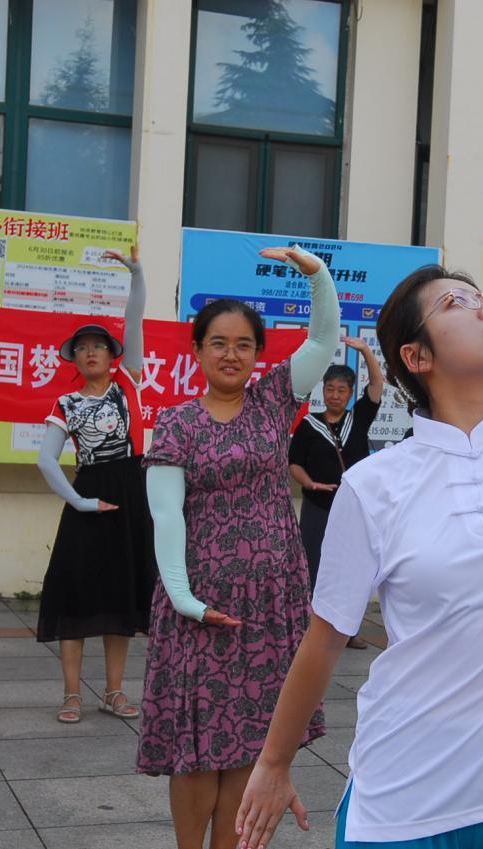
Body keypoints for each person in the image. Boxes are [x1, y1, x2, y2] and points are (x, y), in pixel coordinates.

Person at [233, 48, 483, 849]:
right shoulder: (378, 485)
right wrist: (274, 763)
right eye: (457, 303)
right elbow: (325, 636)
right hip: (409, 801)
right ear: (415, 357)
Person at [137, 245, 339, 849]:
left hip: (269, 603)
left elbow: (324, 340)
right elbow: (165, 516)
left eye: (244, 344)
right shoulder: (175, 423)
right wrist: (184, 598)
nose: (231, 354)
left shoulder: (274, 400)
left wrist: (317, 273)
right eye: (218, 342)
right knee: (195, 749)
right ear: (198, 350)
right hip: (200, 608)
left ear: (257, 354)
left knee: (253, 742)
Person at [34, 246, 157, 724]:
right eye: (82, 348)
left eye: (99, 346)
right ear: (76, 357)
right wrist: (80, 502)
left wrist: (138, 273)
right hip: (89, 494)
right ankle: (70, 694)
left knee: (121, 595)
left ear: (112, 355)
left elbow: (136, 317)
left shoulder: (130, 380)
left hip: (131, 489)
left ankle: (113, 691)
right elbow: (46, 461)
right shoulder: (65, 401)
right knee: (76, 593)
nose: (90, 352)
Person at [288, 338, 385, 650]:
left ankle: (348, 632)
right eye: (330, 389)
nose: (334, 395)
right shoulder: (308, 424)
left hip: (351, 507)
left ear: (349, 393)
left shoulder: (358, 418)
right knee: (313, 565)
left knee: (350, 567)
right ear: (323, 390)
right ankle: (311, 630)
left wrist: (367, 351)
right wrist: (311, 484)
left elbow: (378, 383)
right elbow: (293, 464)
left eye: (341, 390)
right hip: (316, 506)